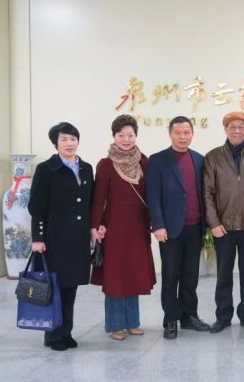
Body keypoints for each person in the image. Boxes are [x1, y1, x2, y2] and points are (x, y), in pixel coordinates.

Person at [90, 115, 156, 340]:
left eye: (130, 135)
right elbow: (98, 199)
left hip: (138, 224)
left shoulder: (144, 161)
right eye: (121, 135)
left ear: (136, 136)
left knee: (134, 273)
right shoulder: (106, 164)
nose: (126, 140)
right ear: (114, 136)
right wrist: (96, 225)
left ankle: (133, 322)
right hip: (114, 226)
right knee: (116, 275)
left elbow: (151, 194)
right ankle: (116, 324)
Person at [28, 122, 93, 351]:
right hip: (54, 239)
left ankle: (66, 331)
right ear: (55, 143)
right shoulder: (46, 169)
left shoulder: (86, 168)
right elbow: (36, 207)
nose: (69, 143)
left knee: (70, 287)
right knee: (53, 287)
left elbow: (89, 202)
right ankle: (53, 335)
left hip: (77, 239)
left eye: (73, 139)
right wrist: (38, 238)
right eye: (64, 139)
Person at [147, 116, 210, 340]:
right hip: (170, 229)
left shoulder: (199, 159)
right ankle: (171, 319)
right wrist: (158, 224)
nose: (182, 137)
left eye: (186, 133)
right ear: (170, 134)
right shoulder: (158, 160)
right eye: (178, 133)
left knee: (191, 275)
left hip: (195, 227)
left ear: (192, 134)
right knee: (171, 276)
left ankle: (189, 316)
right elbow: (153, 195)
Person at [204, 111, 244, 333]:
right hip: (224, 228)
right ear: (225, 129)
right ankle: (223, 316)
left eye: (241, 126)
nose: (237, 130)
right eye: (232, 127)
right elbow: (208, 193)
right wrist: (214, 223)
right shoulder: (213, 157)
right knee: (223, 275)